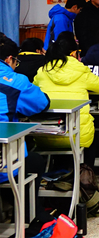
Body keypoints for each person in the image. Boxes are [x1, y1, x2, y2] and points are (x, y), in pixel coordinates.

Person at [34, 31, 99, 168]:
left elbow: (34, 91)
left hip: (44, 135)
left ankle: (56, 173)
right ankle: (85, 176)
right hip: (76, 136)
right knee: (93, 134)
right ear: (73, 54)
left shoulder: (42, 71)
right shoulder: (81, 72)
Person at [0, 36, 50, 216]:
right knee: (34, 160)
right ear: (9, 59)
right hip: (3, 161)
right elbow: (42, 103)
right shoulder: (15, 82)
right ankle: (29, 216)